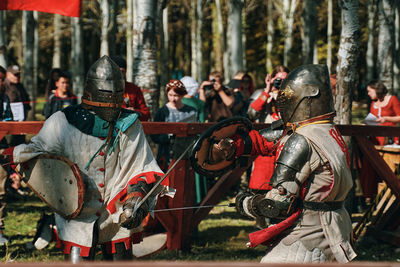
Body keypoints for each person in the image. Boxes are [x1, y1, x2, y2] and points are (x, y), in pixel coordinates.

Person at [4, 56, 173, 262]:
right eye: (106, 94)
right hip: (77, 212)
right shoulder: (63, 121)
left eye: (116, 94)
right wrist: (9, 154)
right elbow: (36, 150)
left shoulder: (129, 123)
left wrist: (136, 196)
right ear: (92, 91)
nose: (111, 100)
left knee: (120, 259)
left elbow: (140, 165)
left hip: (117, 210)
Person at [212, 64, 356, 263]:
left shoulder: (301, 139)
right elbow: (274, 139)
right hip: (338, 223)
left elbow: (277, 205)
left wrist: (244, 203)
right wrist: (237, 145)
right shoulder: (328, 131)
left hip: (312, 232)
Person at [246, 66, 289, 193]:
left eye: (284, 79)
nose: (280, 82)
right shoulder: (262, 93)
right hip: (265, 145)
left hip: (285, 146)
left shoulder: (291, 96)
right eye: (278, 79)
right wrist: (267, 90)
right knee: (261, 185)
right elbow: (251, 113)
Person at [358, 80, 400, 201]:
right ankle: (368, 195)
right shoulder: (373, 104)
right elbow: (372, 118)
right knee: (368, 165)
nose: (369, 94)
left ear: (377, 89)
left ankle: (388, 195)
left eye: (370, 91)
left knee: (386, 165)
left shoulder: (392, 99)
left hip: (389, 138)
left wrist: (386, 118)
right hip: (374, 139)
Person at [151, 79, 198, 172]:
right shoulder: (162, 112)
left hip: (187, 153)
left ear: (182, 95)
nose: (173, 99)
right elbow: (154, 135)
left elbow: (198, 130)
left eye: (176, 95)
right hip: (167, 154)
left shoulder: (191, 111)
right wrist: (170, 137)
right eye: (170, 95)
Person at [110, 56, 150, 121]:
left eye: (122, 71)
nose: (120, 75)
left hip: (130, 128)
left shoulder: (134, 89)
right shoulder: (104, 89)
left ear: (126, 72)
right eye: (117, 71)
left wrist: (134, 111)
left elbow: (146, 114)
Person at [0, 66, 13, 245]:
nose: (0, 82)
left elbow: (10, 121)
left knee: (0, 191)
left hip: (1, 147)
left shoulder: (5, 99)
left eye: (2, 79)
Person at [4, 65, 31, 146]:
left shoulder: (20, 86)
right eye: (15, 74)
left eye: (19, 74)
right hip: (9, 124)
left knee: (20, 145)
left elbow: (26, 100)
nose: (18, 76)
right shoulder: (4, 86)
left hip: (21, 122)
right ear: (8, 74)